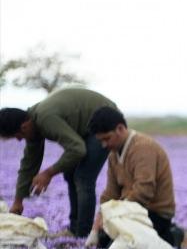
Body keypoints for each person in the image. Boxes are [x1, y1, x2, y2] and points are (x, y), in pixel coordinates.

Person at [0, 88, 117, 236]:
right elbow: (28, 164)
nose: (19, 140)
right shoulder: (33, 124)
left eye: (18, 136)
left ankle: (83, 234)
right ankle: (75, 229)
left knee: (83, 177)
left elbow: (77, 149)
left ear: (24, 126)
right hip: (86, 127)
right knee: (70, 173)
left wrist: (48, 173)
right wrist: (18, 200)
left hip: (106, 121)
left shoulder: (45, 119)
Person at [88, 106, 179, 247]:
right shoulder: (114, 154)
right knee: (103, 241)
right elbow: (110, 193)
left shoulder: (143, 148)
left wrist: (114, 213)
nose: (104, 145)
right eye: (101, 141)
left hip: (153, 212)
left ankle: (171, 235)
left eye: (107, 138)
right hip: (129, 210)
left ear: (120, 129)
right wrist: (98, 222)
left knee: (120, 247)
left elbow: (144, 192)